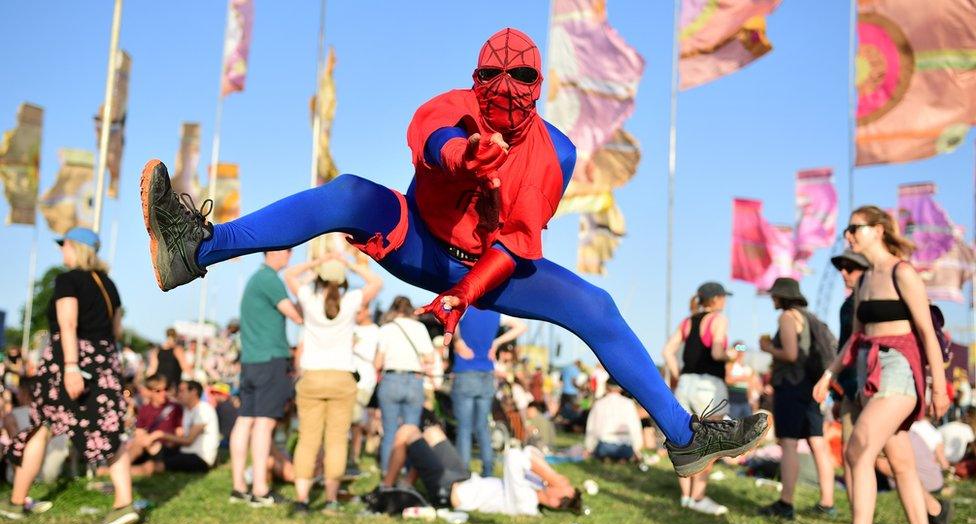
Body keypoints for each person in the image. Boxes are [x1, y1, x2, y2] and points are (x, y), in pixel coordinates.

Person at [140, 27, 768, 480]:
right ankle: (198, 246)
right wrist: (464, 155)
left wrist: (459, 299)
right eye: (491, 75)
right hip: (417, 240)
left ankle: (685, 436)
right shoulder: (453, 110)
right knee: (351, 194)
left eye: (521, 76)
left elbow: (518, 244)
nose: (505, 87)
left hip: (484, 270)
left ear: (539, 85)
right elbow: (429, 138)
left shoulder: (557, 153)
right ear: (474, 81)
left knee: (597, 307)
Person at [813, 206, 950, 524]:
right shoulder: (865, 281)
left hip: (899, 367)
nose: (847, 235)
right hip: (867, 369)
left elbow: (926, 332)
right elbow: (854, 338)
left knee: (858, 449)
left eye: (854, 228)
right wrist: (828, 374)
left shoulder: (901, 272)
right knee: (901, 462)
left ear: (877, 229)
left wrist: (939, 388)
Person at [1, 227, 139, 524]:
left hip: (71, 362)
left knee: (44, 425)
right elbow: (115, 332)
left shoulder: (68, 280)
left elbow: (68, 323)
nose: (62, 251)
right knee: (106, 429)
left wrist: (72, 366)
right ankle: (123, 502)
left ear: (76, 248)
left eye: (64, 245)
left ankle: (16, 502)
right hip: (104, 363)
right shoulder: (109, 285)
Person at [283, 251, 382, 514]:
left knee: (307, 439)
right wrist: (348, 263)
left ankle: (302, 500)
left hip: (312, 376)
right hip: (342, 377)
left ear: (320, 278)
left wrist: (317, 262)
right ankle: (331, 500)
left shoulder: (309, 297)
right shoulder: (351, 300)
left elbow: (289, 274)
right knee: (337, 440)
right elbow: (377, 283)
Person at [757, 278, 835, 520]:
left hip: (792, 386)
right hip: (811, 387)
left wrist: (768, 348)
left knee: (788, 443)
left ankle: (786, 503)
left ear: (782, 296)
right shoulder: (809, 317)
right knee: (817, 442)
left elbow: (790, 354)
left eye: (774, 295)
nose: (772, 299)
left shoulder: (787, 317)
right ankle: (827, 502)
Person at [230, 249, 303, 507]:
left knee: (245, 420)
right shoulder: (270, 279)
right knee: (264, 424)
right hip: (270, 359)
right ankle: (260, 489)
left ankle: (239, 486)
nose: (290, 256)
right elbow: (296, 315)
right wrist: (304, 295)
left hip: (251, 360)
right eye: (287, 250)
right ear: (274, 251)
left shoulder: (255, 278)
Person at [380, 423, 581, 516]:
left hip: (448, 491)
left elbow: (513, 457)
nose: (563, 480)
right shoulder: (536, 487)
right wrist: (550, 478)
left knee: (407, 431)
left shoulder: (526, 503)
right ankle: (406, 486)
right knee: (433, 432)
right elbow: (529, 450)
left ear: (555, 502)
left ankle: (386, 489)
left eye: (564, 486)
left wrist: (552, 475)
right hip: (463, 477)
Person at [662, 282, 738, 516]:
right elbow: (716, 352)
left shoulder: (687, 321)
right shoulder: (718, 319)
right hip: (709, 385)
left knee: (685, 441)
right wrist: (731, 355)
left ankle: (686, 497)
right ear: (715, 299)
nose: (725, 301)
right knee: (711, 442)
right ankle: (699, 497)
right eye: (723, 297)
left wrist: (678, 376)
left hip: (685, 384)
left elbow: (667, 351)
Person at [451, 307, 526, 476]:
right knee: (482, 426)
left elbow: (446, 314)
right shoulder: (496, 311)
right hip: (486, 374)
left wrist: (458, 340)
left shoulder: (464, 307)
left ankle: (463, 473)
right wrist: (497, 342)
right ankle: (488, 471)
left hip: (465, 372)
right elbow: (522, 326)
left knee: (464, 428)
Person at [830, 248, 870, 514]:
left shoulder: (872, 300)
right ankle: (858, 523)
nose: (844, 273)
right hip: (849, 388)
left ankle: (931, 509)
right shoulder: (847, 304)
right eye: (842, 268)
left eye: (850, 268)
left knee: (893, 457)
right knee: (850, 455)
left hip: (874, 387)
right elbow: (846, 347)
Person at [374, 296, 435, 473]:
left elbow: (378, 363)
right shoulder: (419, 327)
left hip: (391, 379)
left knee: (390, 431)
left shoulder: (385, 329)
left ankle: (388, 475)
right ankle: (408, 473)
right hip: (414, 380)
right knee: (411, 432)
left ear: (393, 309)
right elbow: (430, 357)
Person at [134, 381, 220, 475]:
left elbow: (188, 440)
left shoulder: (203, 410)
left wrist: (160, 434)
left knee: (154, 465)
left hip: (199, 458)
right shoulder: (187, 409)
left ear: (193, 392)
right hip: (183, 453)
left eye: (182, 391)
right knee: (153, 447)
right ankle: (124, 467)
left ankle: (126, 473)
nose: (179, 394)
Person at [349, 301, 380, 476]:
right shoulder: (350, 327)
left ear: (367, 311)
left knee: (356, 422)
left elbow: (377, 359)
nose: (356, 315)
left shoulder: (376, 331)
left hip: (364, 381)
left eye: (359, 312)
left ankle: (353, 457)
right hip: (347, 377)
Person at [128, 374, 183, 466]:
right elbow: (139, 433)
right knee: (136, 445)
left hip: (166, 448)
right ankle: (120, 468)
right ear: (150, 392)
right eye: (158, 391)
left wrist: (158, 436)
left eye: (165, 389)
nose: (163, 394)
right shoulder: (144, 409)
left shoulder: (175, 408)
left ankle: (115, 469)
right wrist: (146, 440)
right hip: (146, 446)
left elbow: (180, 435)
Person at [584, 379, 643, 462]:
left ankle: (607, 457)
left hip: (604, 445)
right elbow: (635, 427)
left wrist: (589, 448)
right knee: (625, 452)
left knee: (602, 449)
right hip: (626, 447)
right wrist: (636, 449)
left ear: (606, 387)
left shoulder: (599, 403)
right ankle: (622, 458)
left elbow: (592, 427)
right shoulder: (628, 403)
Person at [725, 341, 756, 419]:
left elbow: (750, 385)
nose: (741, 351)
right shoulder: (729, 364)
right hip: (733, 401)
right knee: (732, 426)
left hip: (745, 402)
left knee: (748, 427)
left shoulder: (747, 367)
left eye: (743, 348)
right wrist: (743, 378)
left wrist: (752, 400)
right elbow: (727, 380)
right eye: (738, 348)